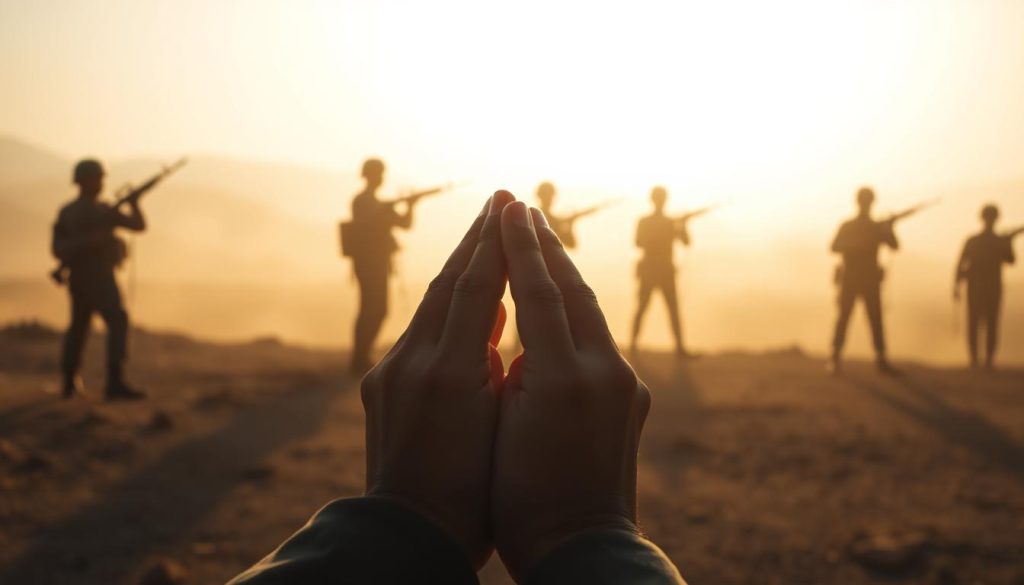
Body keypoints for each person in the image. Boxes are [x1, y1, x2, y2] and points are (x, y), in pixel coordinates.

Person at [228, 192, 686, 584]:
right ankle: (358, 354)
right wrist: (591, 532)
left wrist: (399, 518)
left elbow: (403, 225)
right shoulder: (367, 203)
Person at [51, 159, 146, 400]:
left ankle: (70, 380)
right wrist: (90, 241)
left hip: (83, 277)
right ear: (85, 181)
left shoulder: (81, 211)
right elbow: (59, 248)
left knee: (80, 326)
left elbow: (137, 226)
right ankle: (113, 381)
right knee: (116, 320)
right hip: (97, 277)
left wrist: (134, 202)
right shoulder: (89, 212)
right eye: (97, 178)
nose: (101, 182)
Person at [346, 158, 418, 376]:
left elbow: (404, 224)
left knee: (376, 310)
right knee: (371, 310)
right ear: (370, 175)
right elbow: (373, 221)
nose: (381, 178)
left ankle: (361, 355)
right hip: (369, 264)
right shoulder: (362, 201)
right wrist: (401, 207)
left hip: (377, 263)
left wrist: (411, 205)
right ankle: (359, 357)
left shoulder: (375, 203)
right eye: (378, 174)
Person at [829, 187, 899, 375]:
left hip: (869, 280)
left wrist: (889, 228)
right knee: (845, 318)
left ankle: (880, 358)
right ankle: (835, 357)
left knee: (875, 319)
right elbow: (834, 246)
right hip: (852, 278)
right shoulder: (849, 226)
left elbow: (894, 245)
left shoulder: (876, 227)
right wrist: (857, 244)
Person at [954, 204, 1016, 370]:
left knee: (986, 323)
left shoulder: (977, 241)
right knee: (981, 323)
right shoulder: (978, 241)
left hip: (987, 288)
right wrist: (956, 286)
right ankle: (979, 360)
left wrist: (1008, 242)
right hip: (982, 287)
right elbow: (961, 263)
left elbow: (1010, 260)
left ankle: (984, 360)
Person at [631, 186, 690, 357]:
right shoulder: (653, 222)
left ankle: (679, 348)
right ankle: (634, 346)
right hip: (656, 270)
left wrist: (682, 225)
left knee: (669, 310)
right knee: (645, 308)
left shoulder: (667, 222)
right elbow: (638, 242)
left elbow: (685, 241)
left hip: (660, 271)